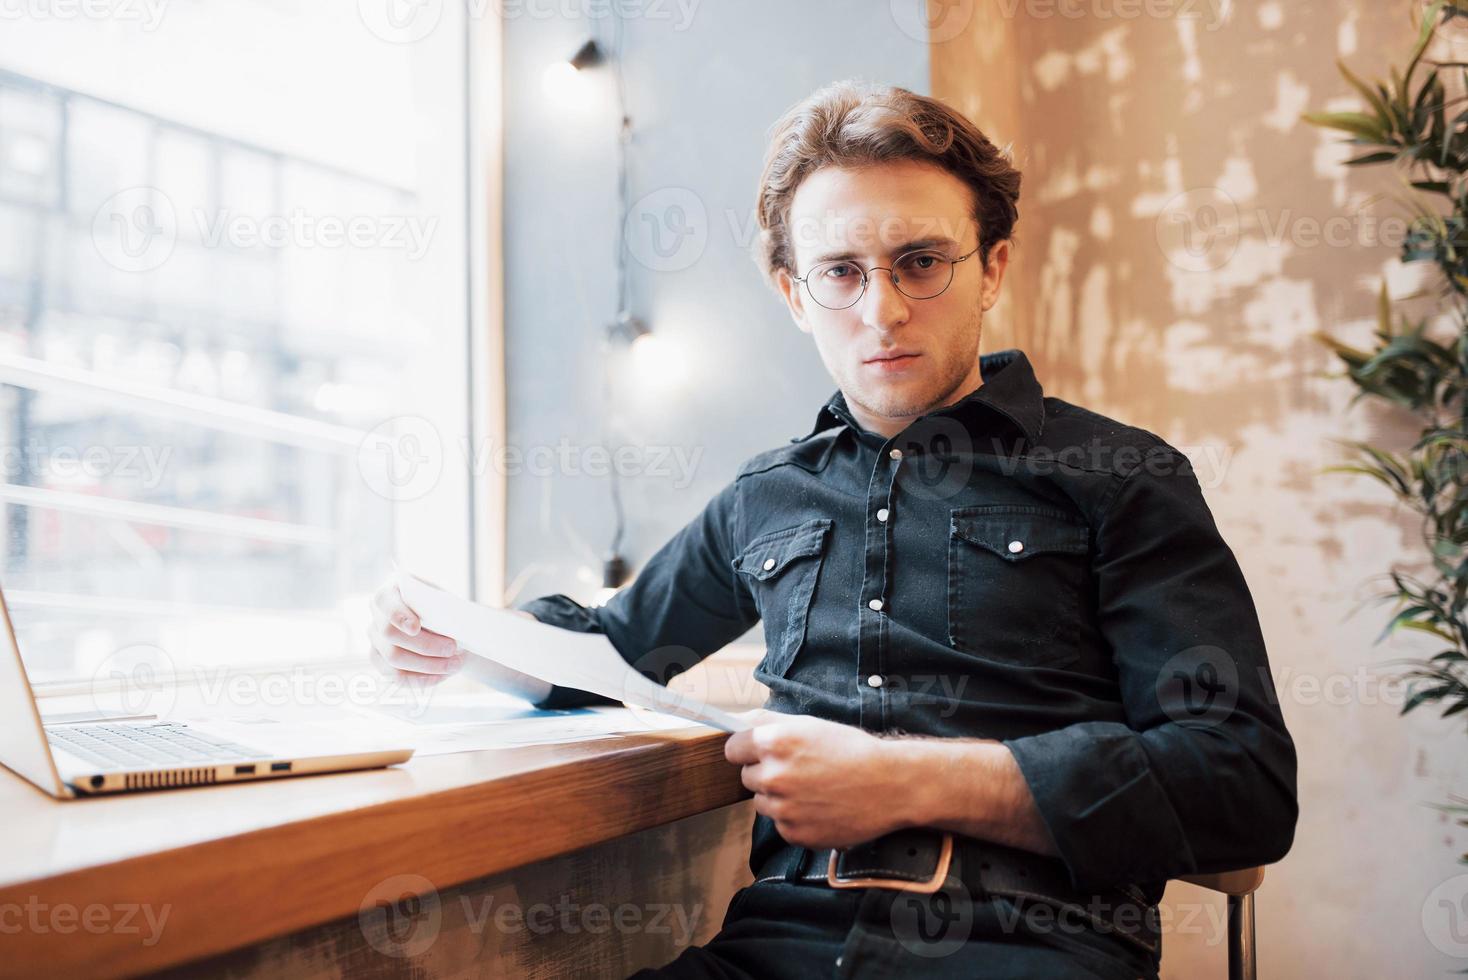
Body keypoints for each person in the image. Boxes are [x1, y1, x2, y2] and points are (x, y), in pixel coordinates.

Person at [367, 80, 1298, 979]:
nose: (882, 310)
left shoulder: (1122, 476)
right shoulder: (764, 496)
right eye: (841, 273)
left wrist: (907, 780)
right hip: (775, 946)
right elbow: (612, 649)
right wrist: (462, 637)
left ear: (993, 269)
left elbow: (1241, 783)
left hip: (1033, 948)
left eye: (922, 263)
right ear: (792, 293)